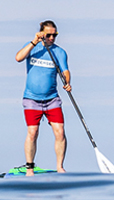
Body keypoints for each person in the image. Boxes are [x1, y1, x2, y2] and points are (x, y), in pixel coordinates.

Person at [14, 20, 71, 173]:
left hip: (52, 99)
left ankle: (60, 167)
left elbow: (65, 71)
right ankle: (29, 168)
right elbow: (18, 58)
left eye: (55, 35)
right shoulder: (33, 47)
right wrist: (34, 41)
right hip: (31, 99)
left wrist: (67, 82)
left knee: (60, 132)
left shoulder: (59, 52)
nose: (52, 38)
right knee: (33, 132)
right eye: (49, 35)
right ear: (41, 34)